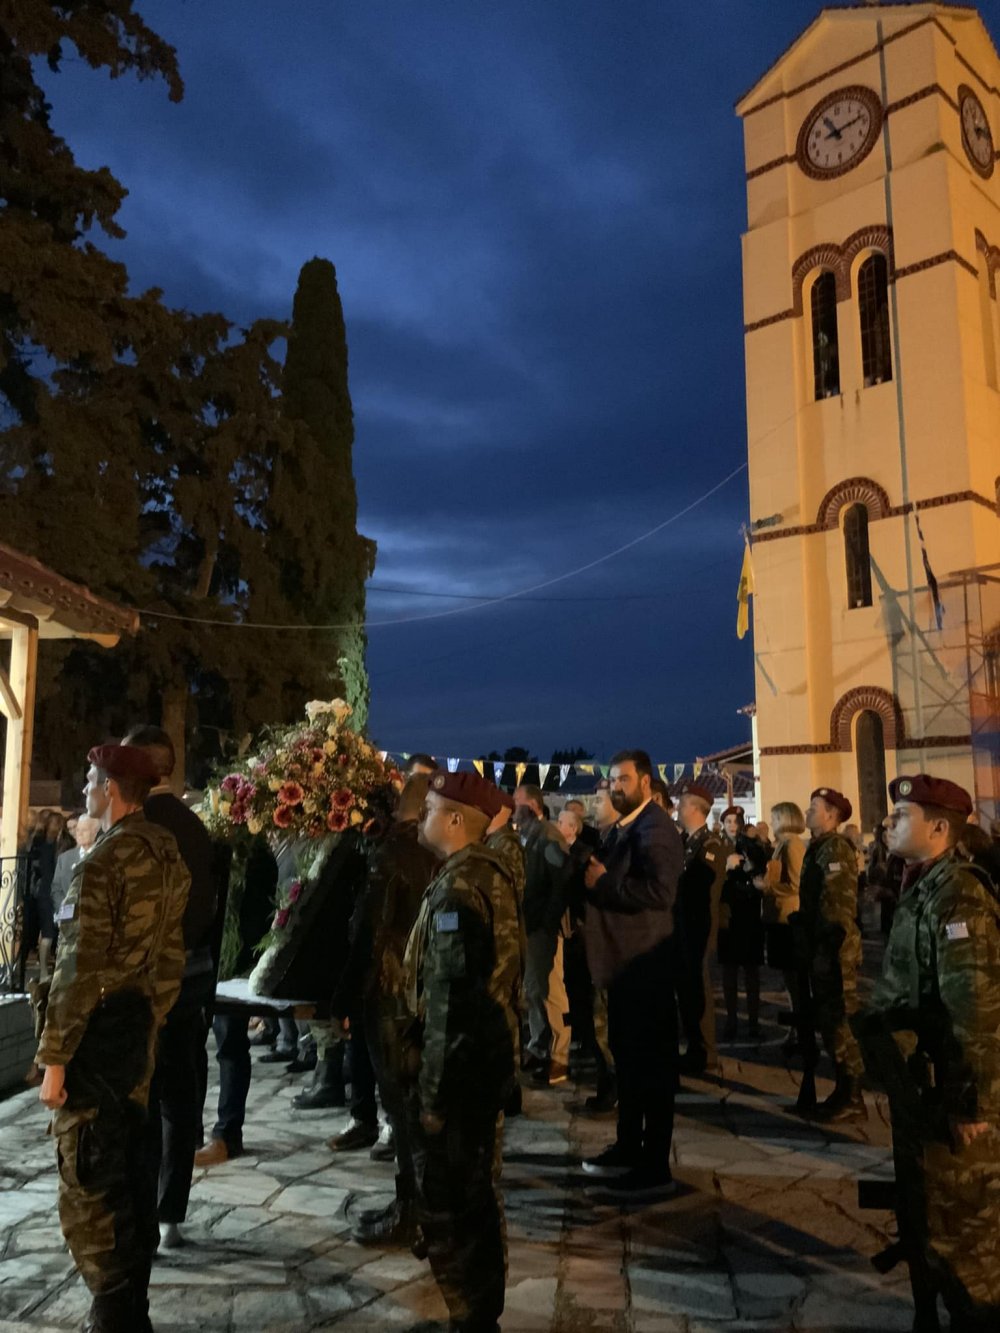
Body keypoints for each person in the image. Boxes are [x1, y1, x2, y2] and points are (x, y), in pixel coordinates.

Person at [37, 744, 189, 1333]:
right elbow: (171, 958)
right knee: (129, 1169)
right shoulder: (165, 851)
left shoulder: (100, 866)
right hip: (137, 1037)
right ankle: (133, 1311)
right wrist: (150, 1018)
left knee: (89, 1186)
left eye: (89, 781)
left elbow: (77, 972)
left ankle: (112, 1313)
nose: (83, 792)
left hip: (96, 1043)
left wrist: (54, 1061)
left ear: (111, 788)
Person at [856, 775, 1000, 1329]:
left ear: (939, 828)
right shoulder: (924, 883)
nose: (890, 823)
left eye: (903, 815)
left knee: (967, 1250)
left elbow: (977, 1007)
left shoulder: (958, 893)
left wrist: (972, 1104)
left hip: (953, 1100)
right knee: (930, 1224)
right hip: (925, 1092)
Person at [403, 770, 522, 1333]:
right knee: (478, 1198)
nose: (420, 816)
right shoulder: (486, 874)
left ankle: (471, 1317)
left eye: (428, 807)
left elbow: (448, 1002)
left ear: (454, 820)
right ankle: (479, 1315)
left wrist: (432, 1095)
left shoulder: (458, 888)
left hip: (461, 1077)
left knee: (453, 1207)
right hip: (485, 1067)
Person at [123, 725, 217, 1250]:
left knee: (142, 1094)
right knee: (180, 1098)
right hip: (194, 974)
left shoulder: (137, 827)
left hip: (147, 983)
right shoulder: (195, 826)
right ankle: (170, 1214)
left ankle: (138, 1206)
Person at [581, 750, 682, 1199]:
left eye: (622, 779)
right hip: (625, 965)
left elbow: (660, 893)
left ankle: (653, 1163)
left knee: (650, 1067)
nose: (614, 787)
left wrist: (603, 883)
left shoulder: (655, 827)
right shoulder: (626, 828)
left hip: (645, 966)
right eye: (611, 781)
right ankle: (628, 1145)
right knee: (628, 1061)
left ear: (645, 781)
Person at [349, 775, 440, 1244]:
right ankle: (418, 1206)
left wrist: (347, 993)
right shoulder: (444, 855)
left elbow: (370, 931)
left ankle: (414, 1212)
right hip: (427, 994)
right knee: (415, 1107)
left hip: (391, 995)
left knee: (403, 1108)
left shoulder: (391, 855)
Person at [799, 787, 865, 1122]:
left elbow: (837, 906)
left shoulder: (835, 847)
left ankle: (852, 1094)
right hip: (820, 945)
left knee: (840, 1020)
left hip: (834, 948)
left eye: (814, 807)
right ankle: (843, 1089)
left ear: (832, 815)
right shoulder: (819, 847)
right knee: (828, 1020)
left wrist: (827, 946)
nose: (808, 812)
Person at [514, 783, 572, 1087]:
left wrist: (549, 923)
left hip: (544, 929)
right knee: (533, 990)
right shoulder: (529, 836)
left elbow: (561, 881)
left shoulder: (548, 835)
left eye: (518, 802)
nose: (514, 807)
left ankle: (560, 1055)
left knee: (552, 993)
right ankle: (538, 1046)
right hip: (532, 926)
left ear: (533, 805)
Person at [674, 782, 725, 1075]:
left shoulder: (710, 845)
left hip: (698, 929)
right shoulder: (687, 841)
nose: (678, 809)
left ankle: (706, 1053)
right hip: (683, 928)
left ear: (695, 808)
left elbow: (703, 891)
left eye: (682, 804)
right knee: (688, 992)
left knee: (699, 992)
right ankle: (695, 1048)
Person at [755, 802, 806, 1052]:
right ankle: (797, 1029)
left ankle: (800, 1031)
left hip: (788, 918)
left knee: (795, 980)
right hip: (779, 918)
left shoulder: (792, 845)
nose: (771, 822)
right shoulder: (783, 845)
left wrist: (766, 888)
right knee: (790, 980)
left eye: (774, 818)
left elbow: (796, 884)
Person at [717, 806, 767, 1041]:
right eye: (727, 821)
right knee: (728, 970)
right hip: (727, 911)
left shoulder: (752, 846)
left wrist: (747, 867)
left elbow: (760, 872)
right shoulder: (717, 847)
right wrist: (725, 868)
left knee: (751, 970)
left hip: (748, 912)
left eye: (735, 821)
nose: (732, 825)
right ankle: (731, 1019)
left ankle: (754, 1021)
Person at [51, 813, 100, 923]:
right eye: (78, 830)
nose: (80, 834)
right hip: (68, 921)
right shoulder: (64, 858)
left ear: (95, 832)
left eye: (84, 830)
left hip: (95, 920)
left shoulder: (102, 855)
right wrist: (65, 912)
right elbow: (56, 888)